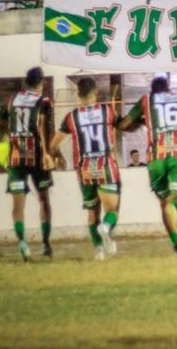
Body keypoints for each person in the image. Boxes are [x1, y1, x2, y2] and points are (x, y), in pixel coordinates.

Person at [118, 76, 177, 256]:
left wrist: (141, 122)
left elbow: (124, 124)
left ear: (152, 90)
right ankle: (174, 210)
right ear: (168, 88)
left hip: (156, 159)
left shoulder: (146, 101)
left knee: (164, 203)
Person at [49, 76, 122, 261]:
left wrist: (59, 157)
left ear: (78, 94)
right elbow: (122, 125)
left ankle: (98, 250)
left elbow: (53, 145)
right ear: (95, 92)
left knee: (92, 212)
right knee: (112, 210)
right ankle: (105, 228)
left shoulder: (71, 117)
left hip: (84, 169)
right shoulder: (107, 111)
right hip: (105, 166)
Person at [0, 66, 57, 261]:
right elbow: (42, 127)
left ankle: (23, 243)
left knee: (18, 204)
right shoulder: (43, 101)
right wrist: (48, 153)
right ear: (41, 83)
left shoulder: (11, 99)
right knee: (44, 200)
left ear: (26, 81)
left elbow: (0, 125)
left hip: (16, 158)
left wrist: (11, 137)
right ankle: (45, 244)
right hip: (37, 158)